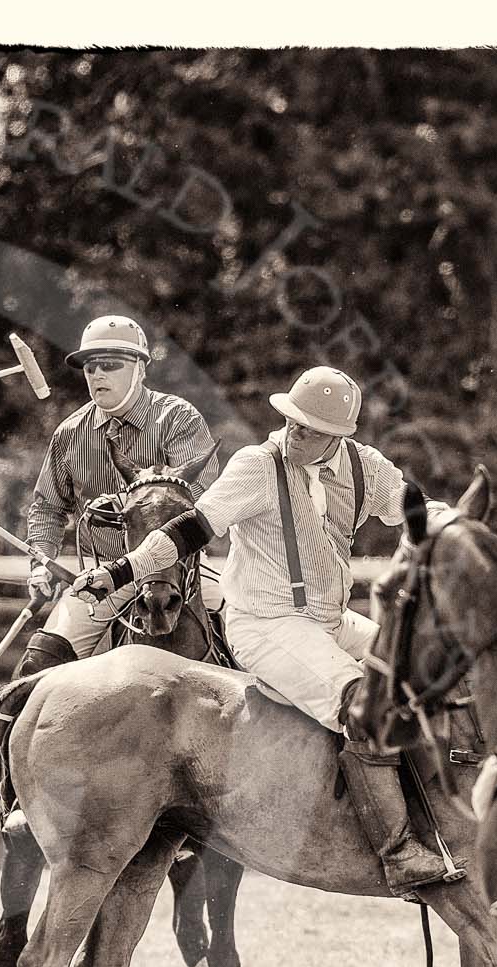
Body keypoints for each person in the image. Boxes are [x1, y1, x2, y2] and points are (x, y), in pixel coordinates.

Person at [73, 364, 455, 892]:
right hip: (264, 623)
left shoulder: (366, 467)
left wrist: (457, 529)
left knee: (439, 674)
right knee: (366, 706)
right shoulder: (257, 465)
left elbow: (417, 510)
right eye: (291, 421)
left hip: (330, 621)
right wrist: (121, 572)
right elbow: (191, 528)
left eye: (309, 429)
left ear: (339, 437)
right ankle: (399, 851)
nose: (293, 433)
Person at [9, 315, 221, 681]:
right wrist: (41, 562)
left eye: (110, 366)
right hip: (101, 580)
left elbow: (201, 496)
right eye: (90, 368)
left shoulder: (178, 419)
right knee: (35, 666)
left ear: (139, 368)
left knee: (253, 642)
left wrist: (128, 504)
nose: (97, 375)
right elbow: (47, 507)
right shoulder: (69, 433)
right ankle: (1, 737)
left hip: (179, 573)